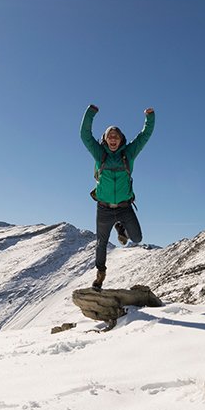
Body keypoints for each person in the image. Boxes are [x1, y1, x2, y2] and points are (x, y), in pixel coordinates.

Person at [80, 104, 155, 289]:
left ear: (121, 140)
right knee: (101, 243)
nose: (113, 139)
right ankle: (100, 275)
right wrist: (90, 113)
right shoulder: (100, 154)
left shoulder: (128, 154)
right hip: (104, 208)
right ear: (105, 140)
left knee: (136, 238)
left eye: (116, 136)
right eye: (110, 136)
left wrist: (150, 118)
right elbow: (85, 135)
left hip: (124, 207)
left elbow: (144, 137)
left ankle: (121, 228)